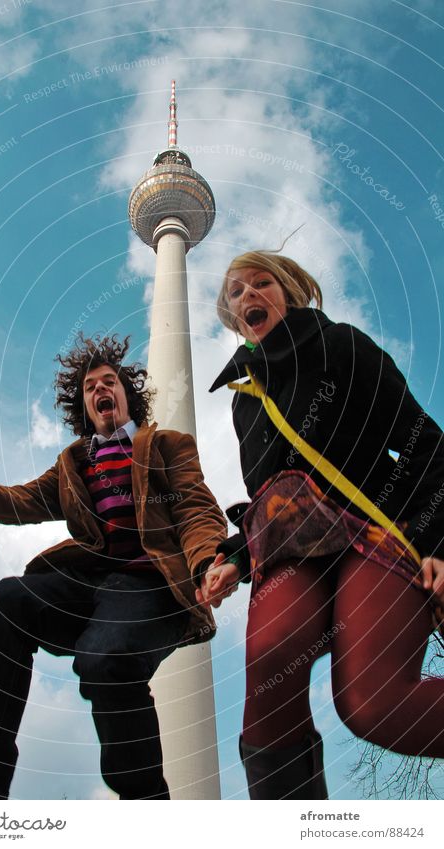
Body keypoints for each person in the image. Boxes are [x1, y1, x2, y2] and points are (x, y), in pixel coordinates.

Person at [0, 334, 226, 801]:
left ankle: (146, 803)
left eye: (110, 381)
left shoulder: (166, 446)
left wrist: (205, 564)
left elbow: (196, 510)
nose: (101, 389)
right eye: (90, 385)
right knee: (7, 601)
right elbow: (18, 503)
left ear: (125, 393)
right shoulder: (74, 464)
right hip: (92, 585)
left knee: (104, 659)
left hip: (151, 586)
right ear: (84, 404)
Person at [197, 250, 444, 800]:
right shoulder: (243, 401)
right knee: (270, 652)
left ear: (289, 290)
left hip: (374, 532)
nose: (247, 296)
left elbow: (424, 444)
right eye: (236, 292)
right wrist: (235, 559)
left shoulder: (342, 347)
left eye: (261, 283)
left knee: (370, 702)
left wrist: (439, 538)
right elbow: (272, 497)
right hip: (294, 552)